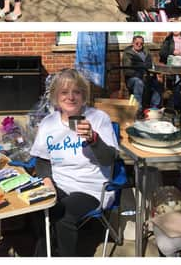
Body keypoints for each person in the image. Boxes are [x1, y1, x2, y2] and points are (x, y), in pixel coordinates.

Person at [29, 69, 119, 256]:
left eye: (76, 92)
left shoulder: (98, 118)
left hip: (90, 188)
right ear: (55, 96)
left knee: (62, 216)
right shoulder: (48, 123)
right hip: (59, 184)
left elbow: (109, 158)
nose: (70, 97)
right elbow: (42, 159)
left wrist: (94, 139)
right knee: (38, 211)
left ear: (84, 95)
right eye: (64, 92)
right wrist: (47, 181)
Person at [122, 35, 163, 113]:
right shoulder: (128, 54)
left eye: (141, 43)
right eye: (137, 43)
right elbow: (127, 70)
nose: (139, 45)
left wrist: (153, 74)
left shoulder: (146, 52)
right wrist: (141, 74)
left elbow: (150, 66)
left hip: (146, 76)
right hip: (132, 79)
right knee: (139, 83)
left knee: (157, 84)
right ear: (133, 43)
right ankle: (138, 110)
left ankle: (154, 108)